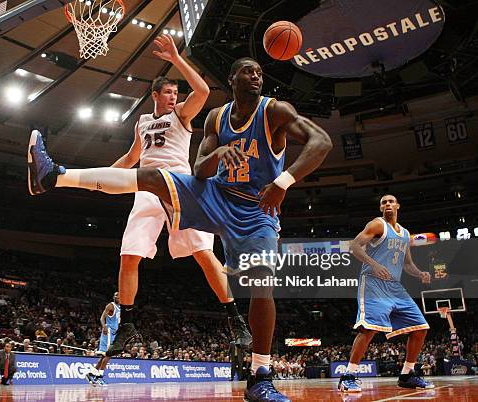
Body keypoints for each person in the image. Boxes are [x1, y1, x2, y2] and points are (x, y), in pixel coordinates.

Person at [27, 56, 332, 402]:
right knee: (150, 180)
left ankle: (260, 375)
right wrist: (220, 154)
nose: (256, 76)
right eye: (248, 71)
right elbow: (201, 169)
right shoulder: (217, 117)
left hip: (257, 207)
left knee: (260, 283)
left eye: (259, 72)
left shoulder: (274, 111)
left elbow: (320, 141)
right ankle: (53, 176)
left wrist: (284, 181)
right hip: (215, 194)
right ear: (232, 78)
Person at [102, 34, 251, 354]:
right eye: (167, 92)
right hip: (146, 186)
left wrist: (175, 59)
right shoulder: (142, 121)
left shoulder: (181, 115)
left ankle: (235, 319)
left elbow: (203, 91)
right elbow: (130, 159)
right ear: (155, 95)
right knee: (128, 256)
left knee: (202, 253)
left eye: (175, 92)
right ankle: (126, 328)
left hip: (179, 186)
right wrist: (103, 178)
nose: (173, 96)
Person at [338, 195, 434, 393]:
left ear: (398, 206)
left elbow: (407, 263)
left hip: (395, 287)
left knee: (420, 328)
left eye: (391, 201)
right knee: (369, 329)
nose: (387, 204)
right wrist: (374, 264)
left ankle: (407, 375)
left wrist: (419, 273)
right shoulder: (377, 225)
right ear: (381, 208)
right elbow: (355, 245)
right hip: (373, 283)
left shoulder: (405, 233)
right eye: (384, 202)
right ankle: (348, 376)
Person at [86, 292, 120, 386]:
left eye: (119, 295)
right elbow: (102, 317)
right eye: (116, 295)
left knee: (104, 356)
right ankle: (99, 377)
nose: (117, 296)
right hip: (108, 332)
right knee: (108, 355)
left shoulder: (121, 308)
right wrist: (104, 326)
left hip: (114, 333)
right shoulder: (110, 306)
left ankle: (91, 374)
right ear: (113, 297)